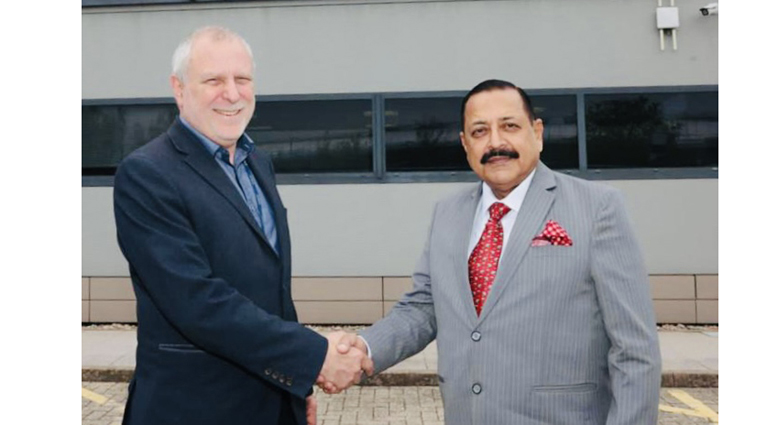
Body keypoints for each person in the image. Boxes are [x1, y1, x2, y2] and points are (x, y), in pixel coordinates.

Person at [330, 79, 662, 424]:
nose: (496, 143)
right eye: (480, 131)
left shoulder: (597, 208)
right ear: (465, 144)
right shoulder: (448, 214)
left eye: (509, 126)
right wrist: (364, 347)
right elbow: (423, 307)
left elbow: (635, 351)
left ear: (537, 133)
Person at [113, 26, 370, 425]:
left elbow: (272, 292)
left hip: (272, 403)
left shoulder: (257, 164)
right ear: (179, 89)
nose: (232, 94)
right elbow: (197, 302)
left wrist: (295, 386)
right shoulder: (147, 173)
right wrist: (313, 356)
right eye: (213, 80)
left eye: (242, 79)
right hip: (192, 412)